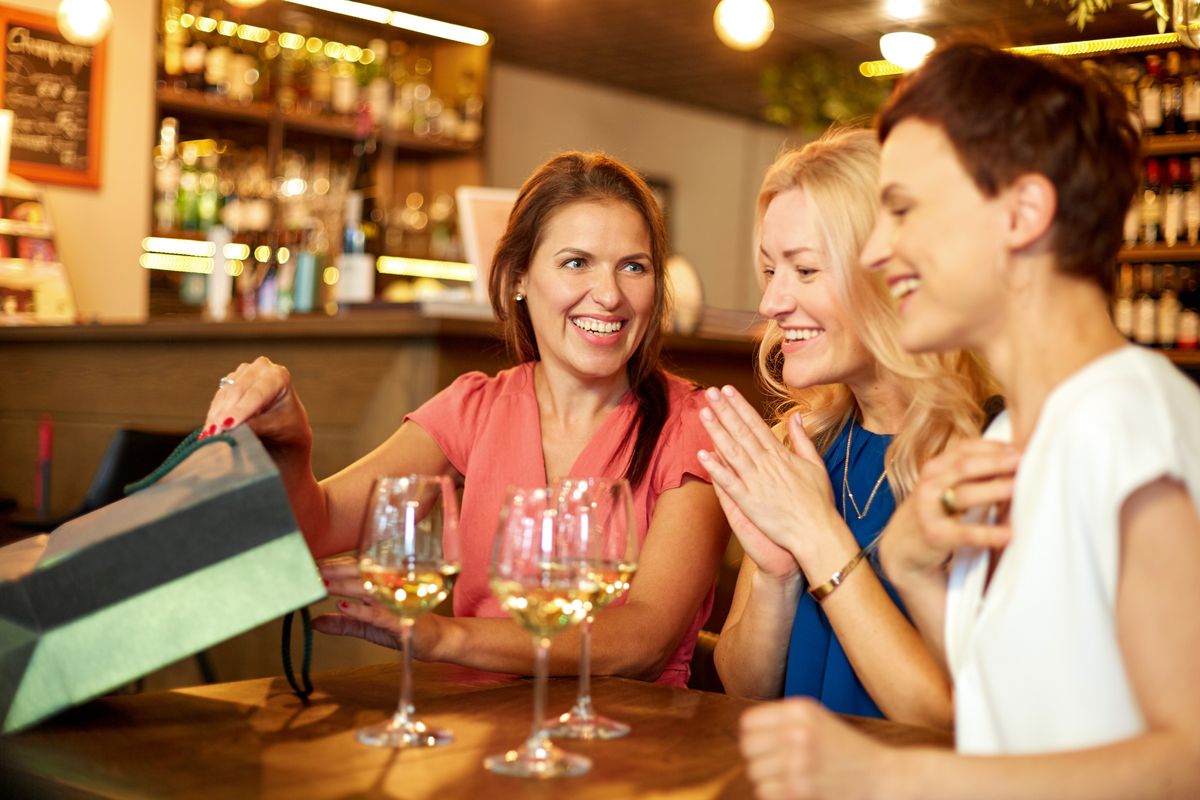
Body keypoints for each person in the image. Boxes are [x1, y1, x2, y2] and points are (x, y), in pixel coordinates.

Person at [739, 43, 1200, 799]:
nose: (881, 251)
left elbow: (1188, 764)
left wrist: (891, 774)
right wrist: (917, 575)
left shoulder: (1124, 422)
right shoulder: (1009, 440)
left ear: (1022, 213)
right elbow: (1005, 723)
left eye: (905, 210)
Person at [200, 152, 729, 687]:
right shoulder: (474, 408)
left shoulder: (694, 426)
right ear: (518, 277)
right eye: (576, 262)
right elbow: (318, 527)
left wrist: (444, 638)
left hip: (636, 746)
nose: (611, 294)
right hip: (476, 743)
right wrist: (292, 449)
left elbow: (643, 641)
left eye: (633, 266)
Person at [698, 128, 994, 727]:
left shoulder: (991, 454)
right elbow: (743, 687)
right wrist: (779, 577)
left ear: (893, 275)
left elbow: (953, 721)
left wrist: (816, 534)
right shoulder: (809, 444)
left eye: (805, 271)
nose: (772, 303)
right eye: (769, 270)